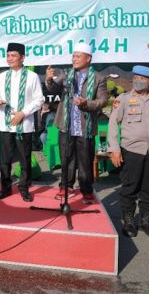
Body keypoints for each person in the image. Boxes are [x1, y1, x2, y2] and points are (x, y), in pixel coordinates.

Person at [108, 65, 149, 238]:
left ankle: (146, 222)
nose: (138, 81)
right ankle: (128, 222)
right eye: (136, 77)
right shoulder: (124, 99)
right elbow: (113, 124)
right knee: (130, 187)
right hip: (132, 150)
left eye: (143, 79)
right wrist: (114, 149)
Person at [45, 43, 108, 203]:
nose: (74, 59)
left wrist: (86, 103)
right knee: (66, 158)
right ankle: (66, 186)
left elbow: (103, 101)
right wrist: (48, 80)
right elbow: (53, 89)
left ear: (88, 58)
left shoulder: (99, 78)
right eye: (73, 56)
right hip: (66, 124)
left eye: (78, 56)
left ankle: (86, 189)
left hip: (85, 126)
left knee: (85, 160)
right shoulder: (66, 74)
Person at [0, 43, 44, 202]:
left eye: (13, 56)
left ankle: (24, 188)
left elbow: (39, 99)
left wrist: (23, 113)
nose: (10, 59)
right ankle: (5, 188)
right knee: (5, 160)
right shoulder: (1, 76)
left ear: (22, 58)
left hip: (24, 124)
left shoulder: (32, 76)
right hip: (5, 124)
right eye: (8, 55)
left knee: (24, 158)